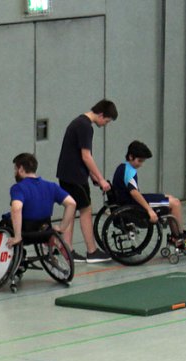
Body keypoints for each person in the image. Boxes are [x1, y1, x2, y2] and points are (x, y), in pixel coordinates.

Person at [56, 99, 118, 263]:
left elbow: (78, 155)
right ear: (101, 114)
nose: (105, 124)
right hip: (75, 176)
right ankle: (92, 251)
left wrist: (92, 175)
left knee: (71, 207)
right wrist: (101, 179)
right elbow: (86, 156)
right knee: (86, 210)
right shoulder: (85, 127)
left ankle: (67, 249)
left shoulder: (78, 122)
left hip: (67, 174)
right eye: (106, 120)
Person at [111, 140, 186, 250]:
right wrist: (149, 210)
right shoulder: (130, 171)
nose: (141, 164)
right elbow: (134, 192)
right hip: (133, 205)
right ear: (130, 156)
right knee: (175, 203)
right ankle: (179, 240)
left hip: (126, 201)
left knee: (170, 197)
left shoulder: (122, 167)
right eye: (139, 161)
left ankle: (176, 236)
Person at [4, 153, 76, 248]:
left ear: (21, 169)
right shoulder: (51, 186)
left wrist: (17, 237)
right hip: (45, 231)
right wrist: (62, 228)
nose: (15, 173)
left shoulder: (18, 188)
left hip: (26, 233)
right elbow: (72, 203)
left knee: (5, 221)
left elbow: (16, 208)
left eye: (15, 170)